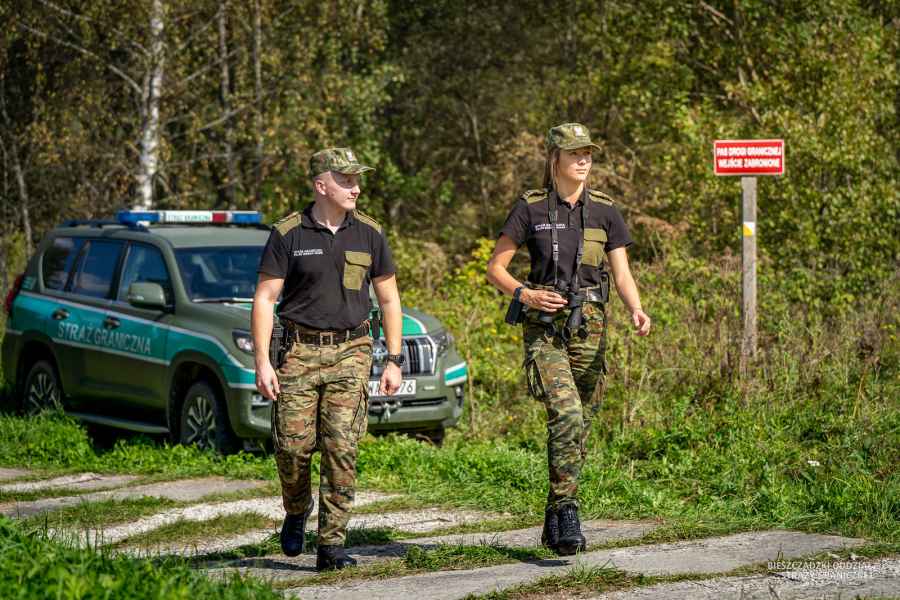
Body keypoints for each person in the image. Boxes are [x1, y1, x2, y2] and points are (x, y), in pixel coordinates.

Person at [486, 123, 651, 555]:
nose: (583, 160)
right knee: (566, 412)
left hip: (591, 323)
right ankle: (568, 509)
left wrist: (636, 308)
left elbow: (622, 273)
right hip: (544, 324)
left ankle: (553, 515)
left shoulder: (605, 210)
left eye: (588, 153)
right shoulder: (531, 207)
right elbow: (496, 269)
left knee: (580, 426)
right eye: (575, 153)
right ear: (554, 158)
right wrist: (525, 294)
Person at [251, 147, 404, 571]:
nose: (356, 188)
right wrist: (263, 361)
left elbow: (389, 299)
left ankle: (331, 544)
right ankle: (297, 508)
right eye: (346, 180)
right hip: (298, 352)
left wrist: (393, 359)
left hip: (352, 351)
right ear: (321, 185)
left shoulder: (369, 233)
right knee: (292, 448)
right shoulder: (288, 233)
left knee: (341, 446)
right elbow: (265, 298)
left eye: (357, 180)